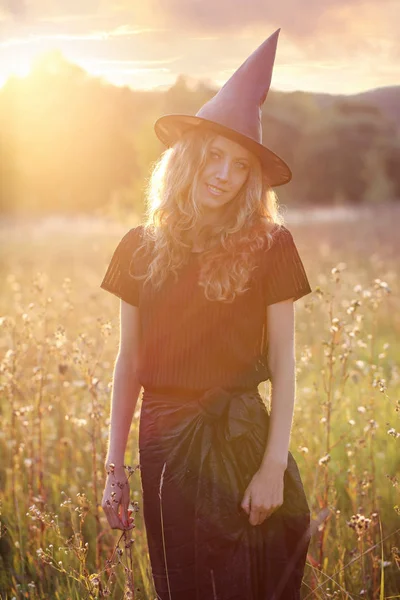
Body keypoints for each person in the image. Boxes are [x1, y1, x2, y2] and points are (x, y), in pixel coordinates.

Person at [100, 28, 312, 600]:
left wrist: (272, 466)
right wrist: (113, 468)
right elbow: (129, 364)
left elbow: (286, 364)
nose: (224, 173)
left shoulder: (272, 245)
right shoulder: (138, 246)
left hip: (245, 432)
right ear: (188, 157)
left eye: (241, 166)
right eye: (214, 156)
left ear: (252, 180)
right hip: (167, 441)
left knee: (264, 575)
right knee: (192, 583)